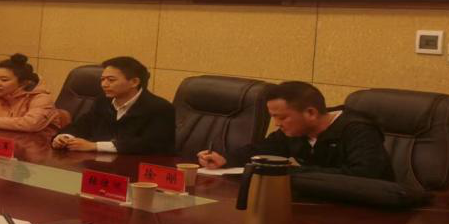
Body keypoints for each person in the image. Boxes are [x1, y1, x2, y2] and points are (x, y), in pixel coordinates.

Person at [197, 81, 394, 180]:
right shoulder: (294, 131)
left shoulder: (358, 130)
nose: (277, 124)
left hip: (369, 219)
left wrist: (295, 172)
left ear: (310, 113)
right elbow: (261, 151)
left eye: (282, 117)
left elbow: (364, 175)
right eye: (273, 117)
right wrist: (225, 159)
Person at [52, 56, 174, 154]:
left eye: (111, 80)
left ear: (134, 82)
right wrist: (64, 137)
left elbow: (151, 144)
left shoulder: (160, 108)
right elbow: (83, 125)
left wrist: (95, 146)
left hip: (137, 170)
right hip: (100, 165)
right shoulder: (103, 101)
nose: (104, 85)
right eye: (102, 79)